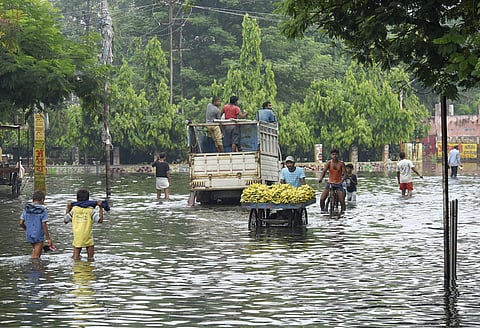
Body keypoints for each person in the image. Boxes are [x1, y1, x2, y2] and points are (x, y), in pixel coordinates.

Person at [64, 189, 103, 260]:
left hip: (77, 238)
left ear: (77, 199)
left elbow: (65, 220)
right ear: (88, 199)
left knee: (75, 258)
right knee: (91, 259)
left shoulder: (74, 210)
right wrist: (100, 208)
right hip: (88, 238)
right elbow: (100, 220)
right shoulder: (91, 211)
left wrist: (68, 208)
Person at [19, 190, 53, 259]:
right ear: (42, 200)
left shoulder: (26, 209)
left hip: (29, 234)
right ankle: (35, 268)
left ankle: (33, 268)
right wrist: (48, 239)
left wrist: (27, 229)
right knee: (36, 257)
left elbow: (21, 223)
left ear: (33, 199)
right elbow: (44, 224)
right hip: (38, 235)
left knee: (34, 253)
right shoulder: (43, 210)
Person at [318, 149, 346, 213]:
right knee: (322, 199)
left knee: (342, 201)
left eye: (336, 154)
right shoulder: (329, 163)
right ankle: (323, 211)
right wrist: (321, 178)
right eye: (333, 154)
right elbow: (324, 171)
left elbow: (345, 175)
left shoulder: (341, 163)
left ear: (338, 155)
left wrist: (341, 181)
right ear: (331, 155)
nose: (334, 156)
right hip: (329, 183)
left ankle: (343, 213)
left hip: (338, 184)